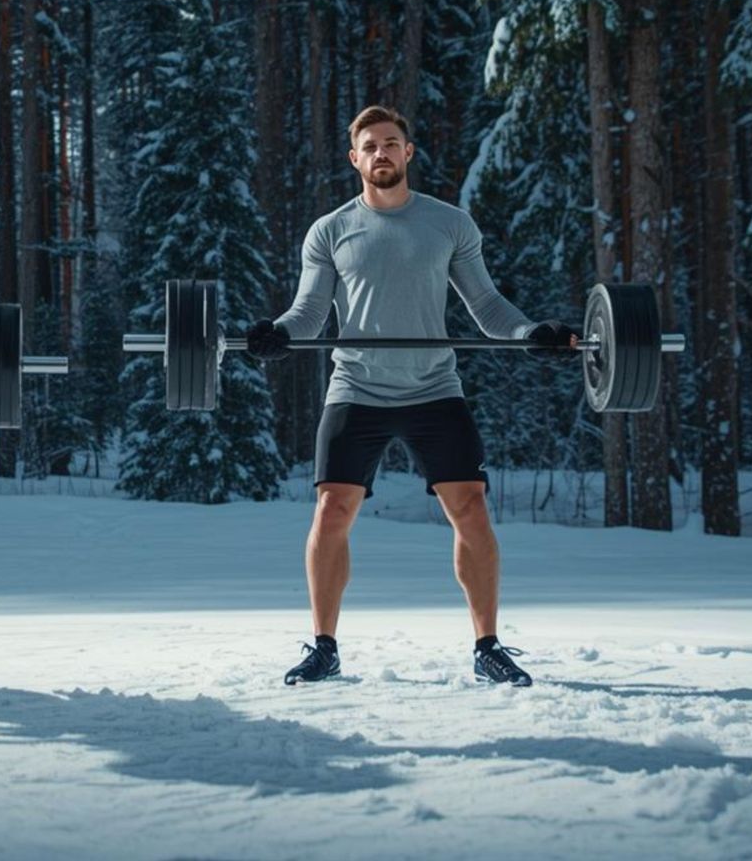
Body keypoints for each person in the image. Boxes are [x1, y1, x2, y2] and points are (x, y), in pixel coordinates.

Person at [245, 106, 577, 687]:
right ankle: (324, 646)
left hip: (433, 388)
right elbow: (309, 314)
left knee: (470, 508)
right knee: (332, 510)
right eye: (369, 145)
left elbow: (489, 308)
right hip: (357, 387)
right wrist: (277, 334)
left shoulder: (449, 224)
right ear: (354, 158)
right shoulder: (330, 231)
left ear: (409, 152)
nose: (381, 153)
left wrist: (531, 334)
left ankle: (487, 646)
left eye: (391, 143)